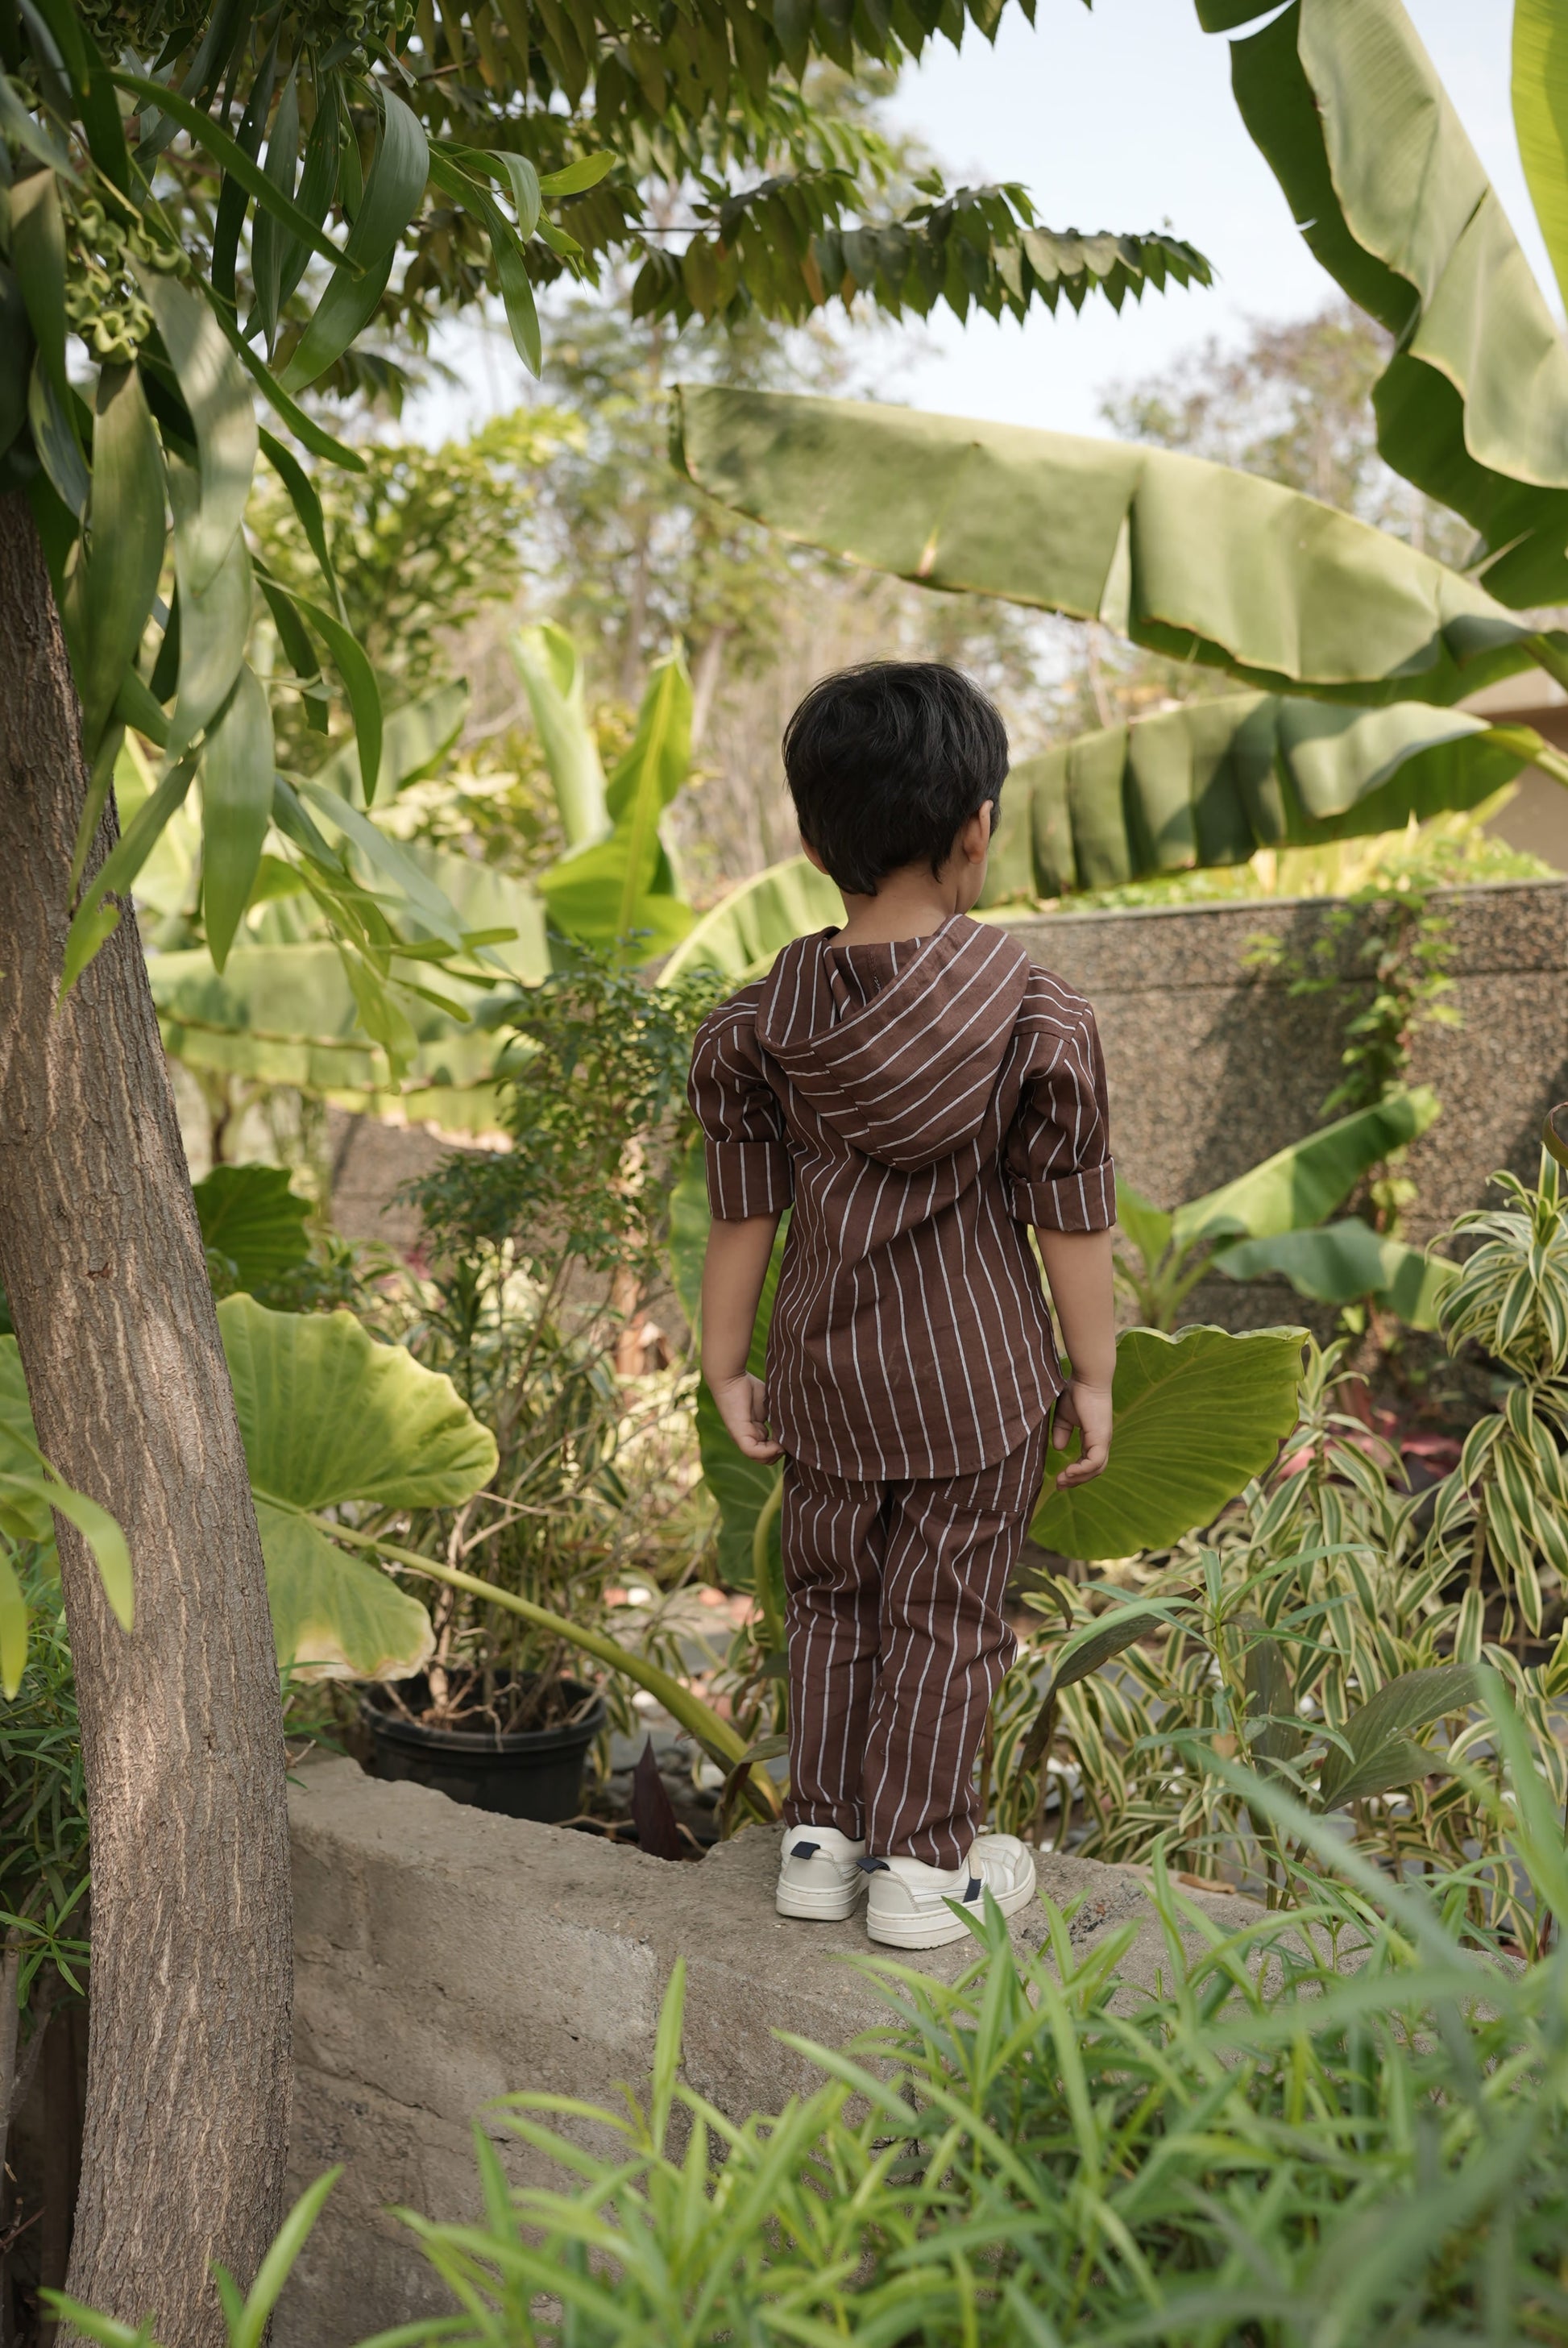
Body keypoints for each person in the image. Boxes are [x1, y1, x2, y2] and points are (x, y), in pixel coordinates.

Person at [687, 662, 1116, 1949]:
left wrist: (726, 1363)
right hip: (975, 1376)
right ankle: (923, 1870)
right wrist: (1090, 1374)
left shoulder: (759, 1023)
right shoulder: (1036, 1012)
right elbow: (1071, 1219)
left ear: (813, 840)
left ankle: (819, 1838)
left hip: (820, 1368)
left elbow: (742, 1212)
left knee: (827, 1595)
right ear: (974, 828)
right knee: (946, 1612)